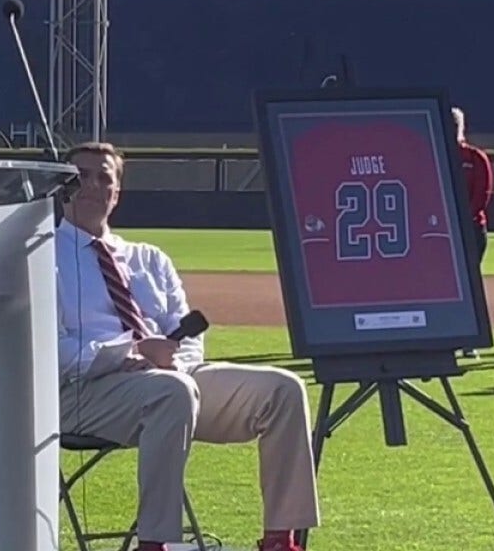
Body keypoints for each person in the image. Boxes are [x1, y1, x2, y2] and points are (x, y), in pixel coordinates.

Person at [56, 142, 319, 551]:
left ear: (117, 192)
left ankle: (279, 540)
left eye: (104, 177)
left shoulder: (148, 258)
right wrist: (134, 354)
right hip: (86, 391)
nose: (92, 185)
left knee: (284, 389)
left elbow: (188, 334)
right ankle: (155, 543)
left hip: (171, 383)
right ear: (61, 187)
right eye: (81, 176)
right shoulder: (43, 257)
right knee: (171, 392)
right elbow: (51, 352)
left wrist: (173, 361)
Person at [453, 106, 493, 359]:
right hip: (441, 234)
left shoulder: (475, 157)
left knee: (470, 284)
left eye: (454, 122)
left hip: (471, 229)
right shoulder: (431, 154)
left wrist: (463, 218)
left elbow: (483, 192)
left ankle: (470, 339)